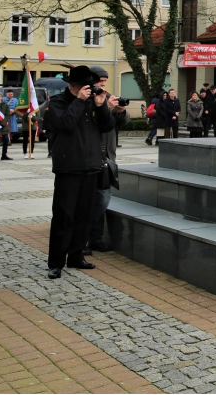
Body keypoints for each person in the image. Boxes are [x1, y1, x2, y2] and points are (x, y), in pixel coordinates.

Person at [45, 66, 116, 279]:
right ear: (74, 86)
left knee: (84, 217)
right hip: (68, 167)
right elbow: (66, 123)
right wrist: (79, 101)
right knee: (63, 216)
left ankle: (76, 256)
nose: (90, 89)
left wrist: (101, 105)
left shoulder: (91, 102)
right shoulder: (58, 102)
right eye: (86, 86)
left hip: (91, 166)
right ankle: (56, 262)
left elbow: (107, 126)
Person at [83, 66, 128, 256]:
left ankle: (95, 238)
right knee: (88, 201)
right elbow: (96, 124)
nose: (102, 83)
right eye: (99, 80)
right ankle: (83, 239)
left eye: (104, 80)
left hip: (108, 158)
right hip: (89, 158)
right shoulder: (86, 99)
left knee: (103, 199)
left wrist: (121, 111)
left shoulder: (107, 96)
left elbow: (121, 123)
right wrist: (106, 108)